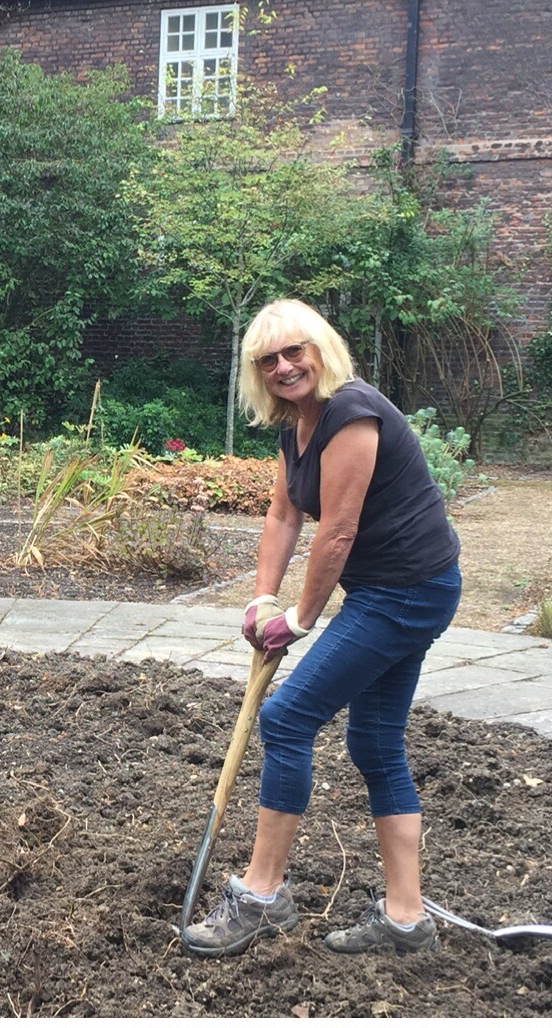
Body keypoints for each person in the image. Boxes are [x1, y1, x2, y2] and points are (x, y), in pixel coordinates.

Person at [184, 301, 463, 959]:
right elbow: (284, 516)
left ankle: (262, 895)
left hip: (408, 592)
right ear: (258, 373)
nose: (284, 367)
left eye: (294, 352)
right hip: (389, 591)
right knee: (373, 741)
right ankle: (405, 919)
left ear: (322, 349)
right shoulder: (296, 429)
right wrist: (262, 597)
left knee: (285, 720)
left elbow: (336, 531)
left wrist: (300, 619)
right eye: (268, 360)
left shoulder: (352, 414)